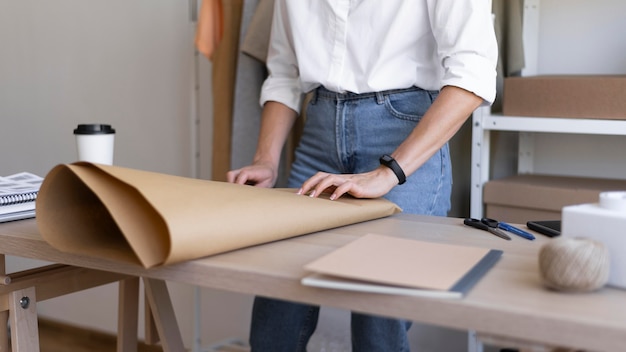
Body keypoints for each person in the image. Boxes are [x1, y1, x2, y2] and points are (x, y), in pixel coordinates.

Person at [227, 1, 498, 351]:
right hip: (318, 132)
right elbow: (284, 72)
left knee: (377, 317)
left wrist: (390, 171)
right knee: (275, 308)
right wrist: (266, 160)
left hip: (402, 134)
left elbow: (472, 74)